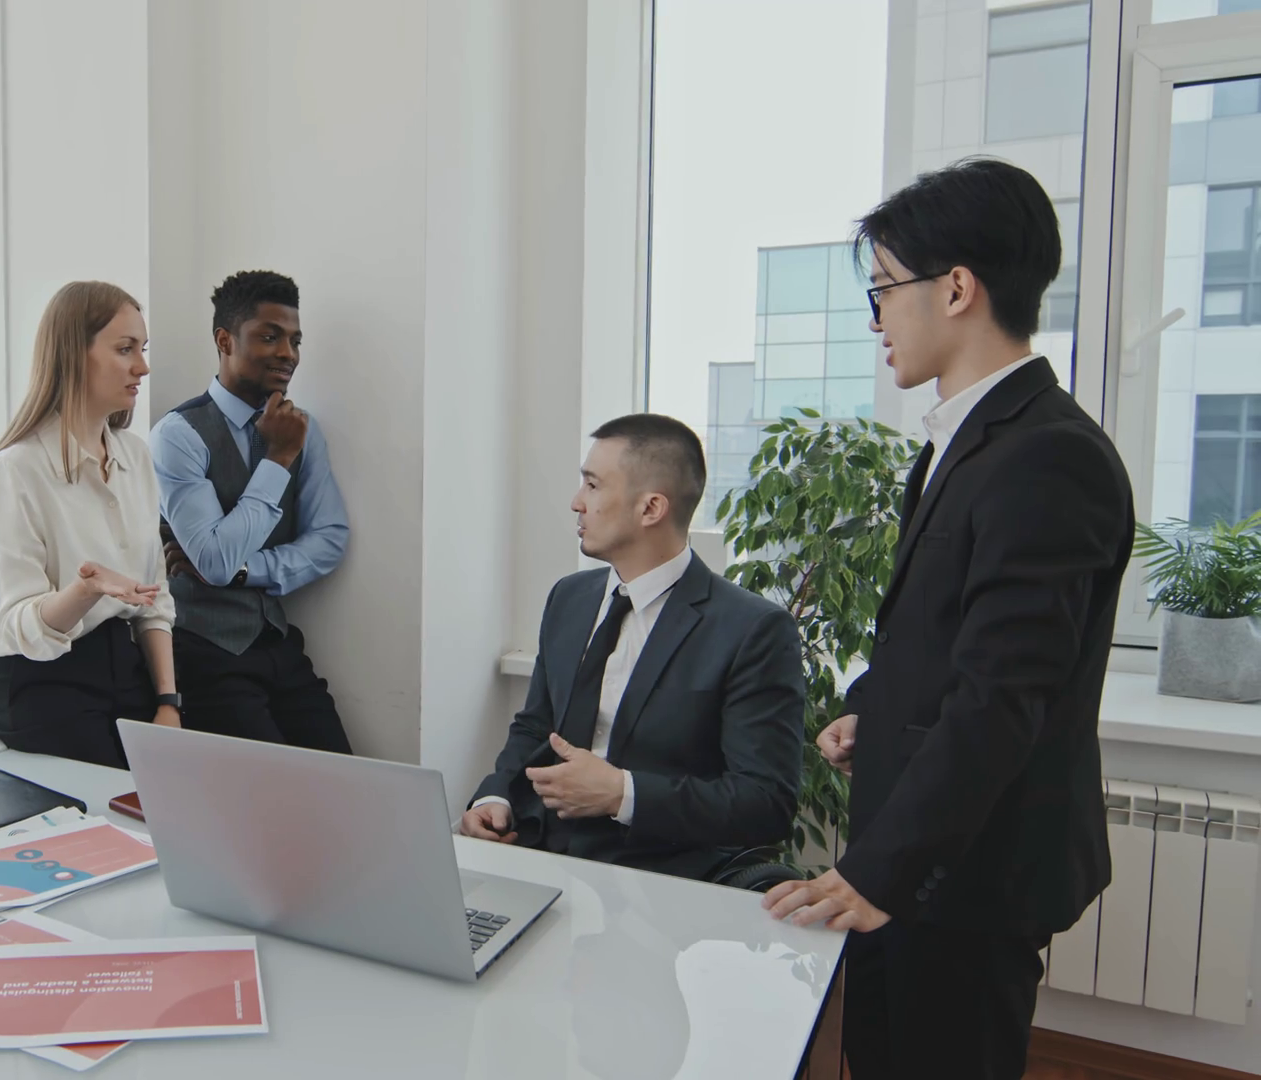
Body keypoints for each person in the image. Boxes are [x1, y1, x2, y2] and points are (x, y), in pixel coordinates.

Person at [761, 160, 1134, 1080]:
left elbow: (1003, 696)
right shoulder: (963, 441)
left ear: (957, 288)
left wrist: (877, 872)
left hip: (967, 874)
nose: (876, 318)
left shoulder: (1049, 456)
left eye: (884, 288)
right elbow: (944, 637)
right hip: (922, 852)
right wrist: (874, 708)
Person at [460, 414, 806, 881]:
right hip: (537, 853)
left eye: (593, 485)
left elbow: (766, 803)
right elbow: (536, 725)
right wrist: (495, 796)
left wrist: (622, 794)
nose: (576, 502)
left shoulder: (752, 629)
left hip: (658, 876)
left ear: (651, 508)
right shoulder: (569, 597)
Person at [0, 281, 182, 768]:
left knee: (172, 795)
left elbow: (155, 601)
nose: (142, 367)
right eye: (125, 349)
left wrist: (169, 703)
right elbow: (23, 627)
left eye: (143, 349)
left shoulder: (135, 456)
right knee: (117, 803)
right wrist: (87, 590)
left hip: (123, 665)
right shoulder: (16, 468)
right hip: (37, 679)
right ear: (73, 355)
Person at [149, 270, 352, 752]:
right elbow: (213, 559)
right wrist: (278, 459)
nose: (288, 354)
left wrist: (248, 571)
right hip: (203, 654)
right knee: (270, 793)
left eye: (295, 340)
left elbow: (329, 538)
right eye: (269, 336)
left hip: (279, 643)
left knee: (345, 775)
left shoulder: (303, 429)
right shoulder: (178, 435)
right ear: (225, 340)